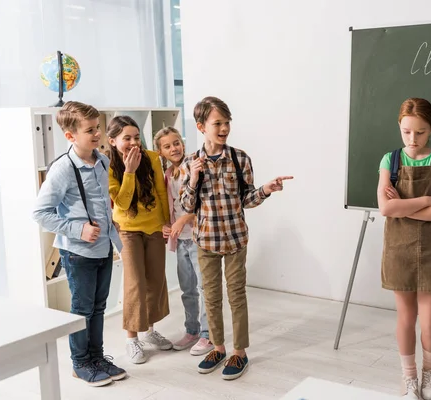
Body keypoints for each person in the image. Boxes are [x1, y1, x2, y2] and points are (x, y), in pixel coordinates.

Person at [180, 96, 293, 380]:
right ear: (201, 126)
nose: (224, 128)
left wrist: (266, 189)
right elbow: (185, 206)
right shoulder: (190, 162)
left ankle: (239, 352)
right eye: (217, 123)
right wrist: (193, 180)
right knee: (211, 297)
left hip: (234, 240)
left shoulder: (240, 158)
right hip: (206, 242)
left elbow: (248, 200)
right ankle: (217, 347)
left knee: (236, 296)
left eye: (227, 122)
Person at [32, 101, 126, 386]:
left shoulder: (102, 161)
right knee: (82, 309)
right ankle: (80, 363)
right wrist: (77, 229)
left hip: (104, 248)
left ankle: (96, 358)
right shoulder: (62, 169)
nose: (97, 134)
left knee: (99, 307)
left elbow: (101, 202)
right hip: (78, 252)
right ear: (70, 135)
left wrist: (112, 225)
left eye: (98, 127)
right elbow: (40, 213)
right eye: (90, 130)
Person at [377, 98, 431, 400]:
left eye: (420, 133)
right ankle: (409, 376)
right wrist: (427, 200)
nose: (413, 139)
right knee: (405, 317)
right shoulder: (390, 161)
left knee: (430, 318)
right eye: (407, 131)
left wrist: (404, 206)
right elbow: (386, 208)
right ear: (400, 127)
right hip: (399, 248)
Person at [106, 115, 173, 364]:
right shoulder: (109, 166)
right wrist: (130, 172)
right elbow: (121, 203)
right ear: (113, 141)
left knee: (155, 280)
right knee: (135, 283)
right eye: (127, 138)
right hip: (127, 229)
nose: (134, 142)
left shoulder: (153, 158)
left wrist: (165, 222)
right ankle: (131, 340)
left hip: (154, 227)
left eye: (137, 137)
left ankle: (149, 332)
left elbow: (160, 193)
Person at [154, 126, 214, 356]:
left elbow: (205, 203)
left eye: (176, 142)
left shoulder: (195, 165)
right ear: (161, 152)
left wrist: (184, 220)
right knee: (188, 289)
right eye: (167, 146)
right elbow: (170, 207)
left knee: (205, 287)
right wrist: (168, 225)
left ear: (182, 142)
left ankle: (208, 335)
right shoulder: (168, 175)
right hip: (181, 241)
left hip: (199, 237)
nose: (174, 148)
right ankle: (192, 331)